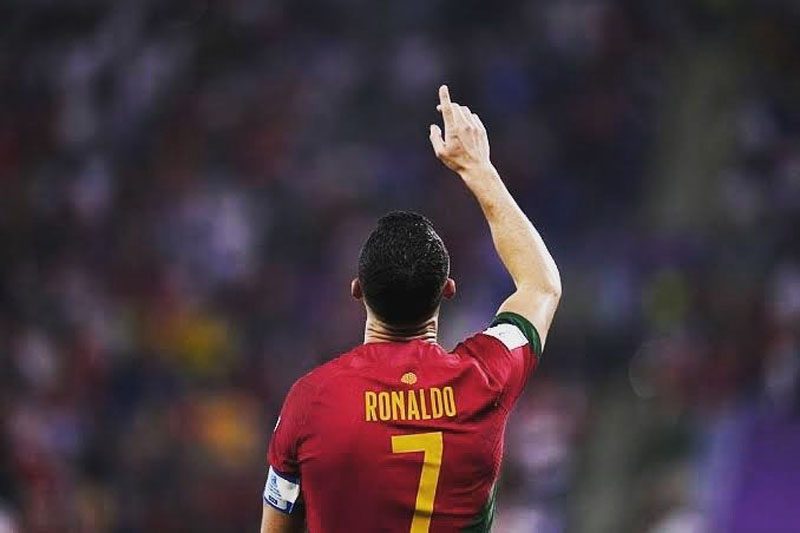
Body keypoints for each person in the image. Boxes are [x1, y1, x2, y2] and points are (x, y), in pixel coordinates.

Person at [260, 85, 562, 533]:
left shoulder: (310, 400)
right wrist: (478, 169)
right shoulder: (484, 378)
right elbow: (541, 284)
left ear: (357, 290)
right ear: (448, 290)